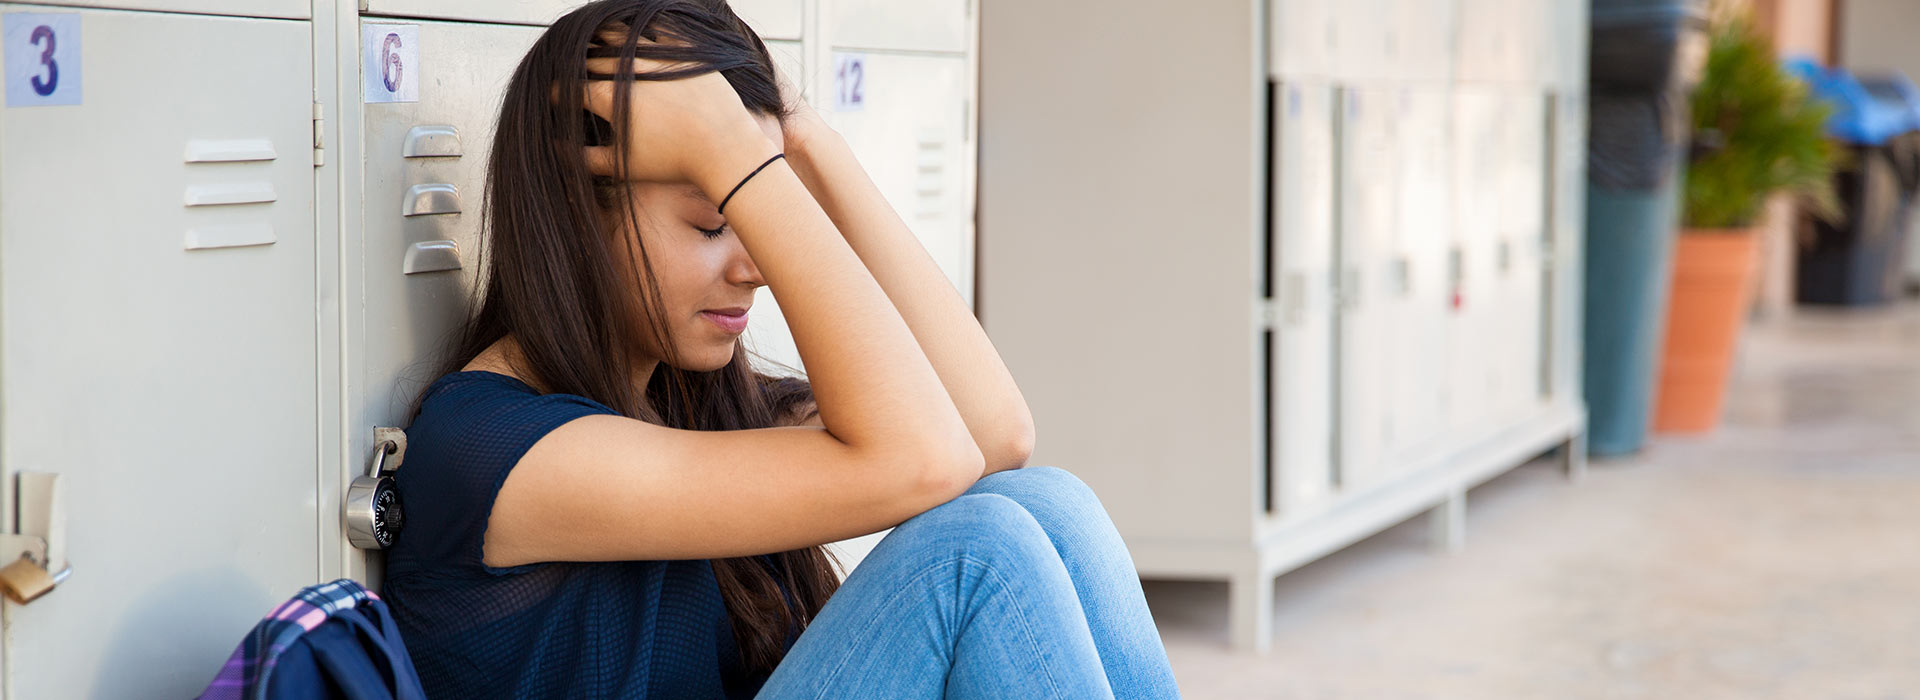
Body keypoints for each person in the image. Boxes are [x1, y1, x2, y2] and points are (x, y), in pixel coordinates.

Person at [380, 1, 1181, 698]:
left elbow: (992, 438)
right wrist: (733, 156)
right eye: (711, 221)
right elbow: (925, 464)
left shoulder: (687, 407)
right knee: (976, 556)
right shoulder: (493, 451)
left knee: (1047, 503)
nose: (755, 265)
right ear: (579, 217)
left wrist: (802, 138)